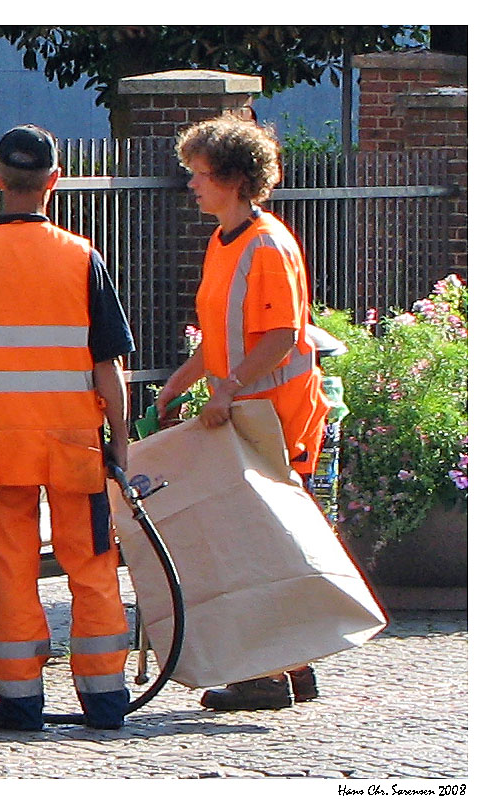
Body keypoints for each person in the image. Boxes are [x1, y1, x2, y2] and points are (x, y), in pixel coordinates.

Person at [0, 124, 136, 731]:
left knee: (9, 566)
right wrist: (120, 443)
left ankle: (19, 700)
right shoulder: (80, 258)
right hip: (72, 442)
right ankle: (105, 698)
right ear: (54, 182)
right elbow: (107, 367)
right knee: (91, 562)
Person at [155, 114, 330, 711]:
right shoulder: (226, 240)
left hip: (276, 418)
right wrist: (180, 383)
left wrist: (226, 389)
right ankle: (293, 666)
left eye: (199, 174)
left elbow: (280, 335)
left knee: (254, 545)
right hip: (250, 416)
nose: (192, 185)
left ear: (231, 177)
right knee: (267, 542)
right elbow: (220, 335)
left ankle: (265, 677)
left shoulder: (267, 243)